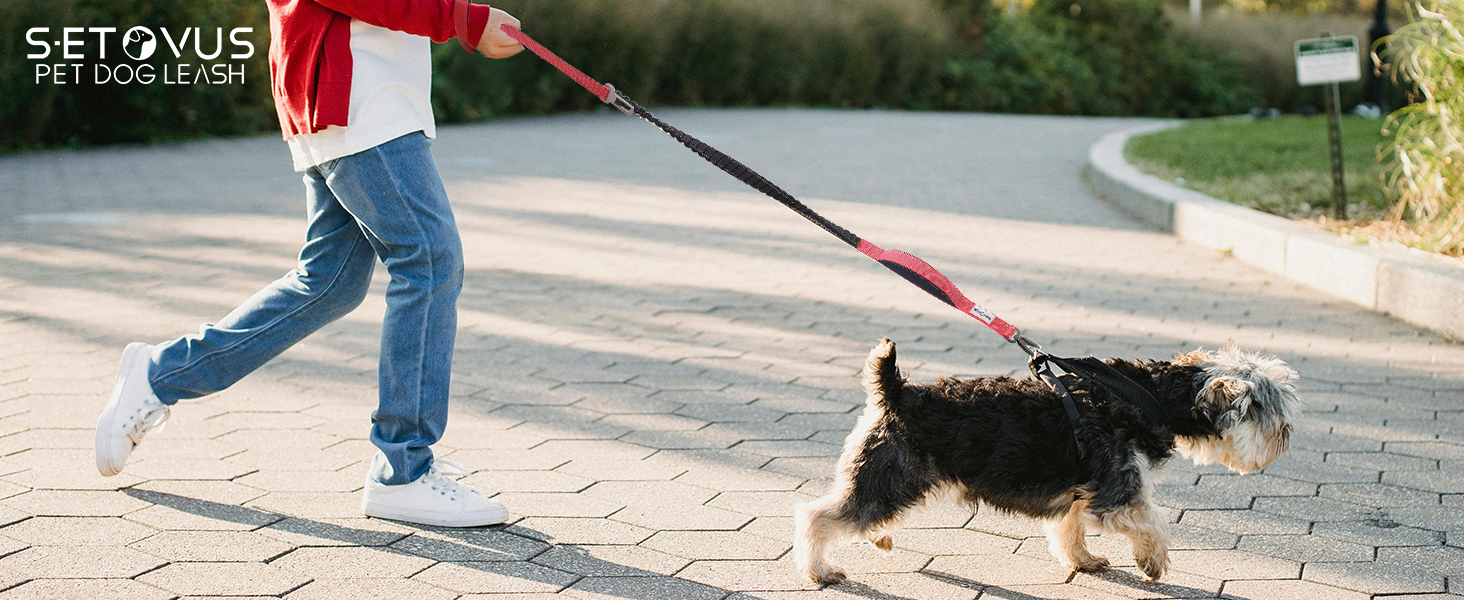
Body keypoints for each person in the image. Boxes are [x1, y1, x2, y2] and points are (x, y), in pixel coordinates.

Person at [93, 0, 524, 528]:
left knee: (329, 283)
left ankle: (161, 375)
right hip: (360, 100)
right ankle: (402, 469)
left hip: (362, 98)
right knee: (429, 260)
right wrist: (461, 18)